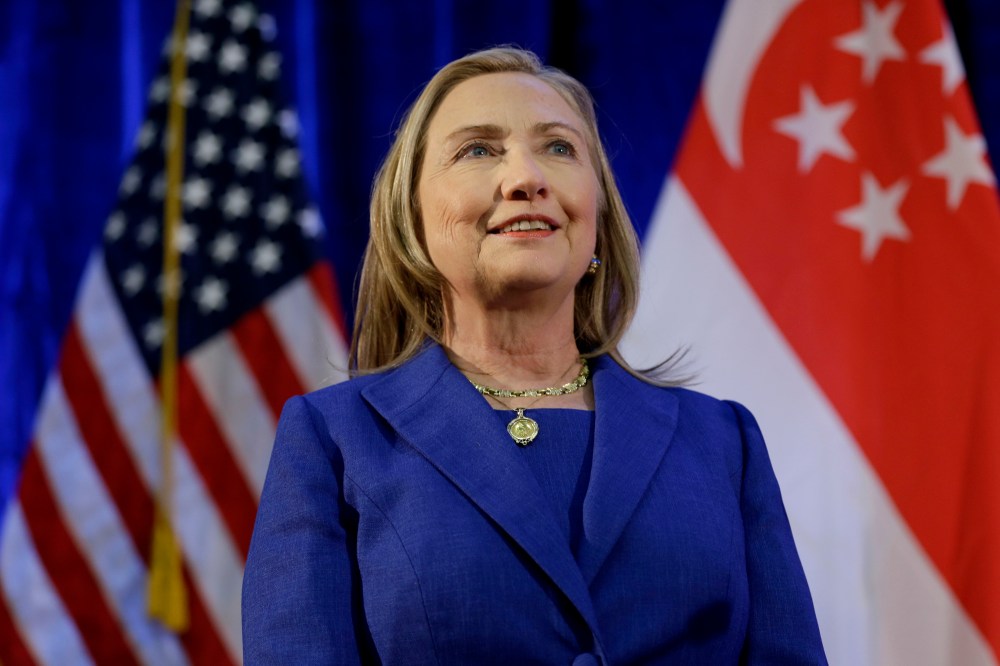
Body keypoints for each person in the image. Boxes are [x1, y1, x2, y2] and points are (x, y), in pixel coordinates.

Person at [242, 46, 826, 665]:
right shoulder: (334, 439)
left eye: (559, 147)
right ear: (411, 218)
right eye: (478, 150)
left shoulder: (723, 441)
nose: (526, 178)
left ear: (596, 210)